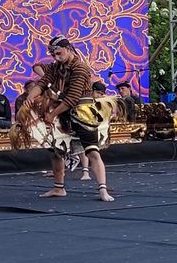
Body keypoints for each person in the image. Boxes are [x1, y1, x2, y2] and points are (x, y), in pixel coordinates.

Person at [25, 35, 115, 201]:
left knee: (92, 152)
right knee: (56, 150)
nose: (56, 57)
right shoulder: (57, 66)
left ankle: (103, 190)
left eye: (59, 53)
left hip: (83, 111)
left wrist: (52, 114)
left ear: (68, 49)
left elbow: (72, 98)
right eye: (53, 55)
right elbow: (42, 82)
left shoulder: (80, 68)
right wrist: (29, 99)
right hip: (63, 110)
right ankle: (59, 188)